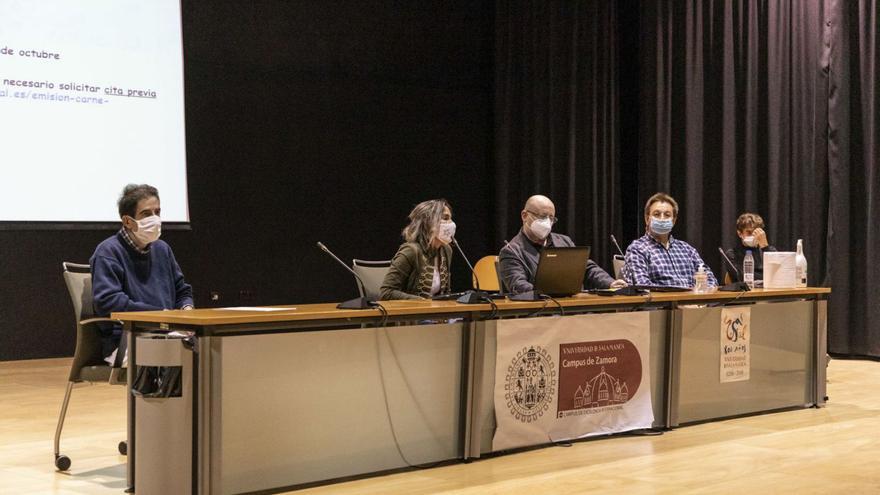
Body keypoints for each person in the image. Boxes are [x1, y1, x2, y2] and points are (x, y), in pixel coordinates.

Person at [90, 184, 193, 365]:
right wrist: (158, 314)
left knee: (207, 353)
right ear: (128, 221)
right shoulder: (108, 252)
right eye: (146, 214)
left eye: (157, 212)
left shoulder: (163, 249)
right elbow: (108, 302)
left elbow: (182, 291)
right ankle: (155, 394)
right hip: (126, 340)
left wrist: (186, 310)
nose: (155, 219)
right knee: (178, 357)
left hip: (167, 333)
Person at [498, 195, 625, 294]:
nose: (547, 222)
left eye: (551, 218)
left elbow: (587, 268)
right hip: (537, 316)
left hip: (572, 311)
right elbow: (519, 286)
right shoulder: (511, 251)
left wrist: (610, 283)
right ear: (524, 215)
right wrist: (551, 293)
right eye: (542, 216)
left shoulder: (564, 242)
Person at [624, 192, 717, 287]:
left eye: (667, 215)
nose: (662, 218)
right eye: (656, 214)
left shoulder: (687, 249)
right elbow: (641, 286)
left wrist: (700, 294)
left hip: (694, 300)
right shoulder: (637, 249)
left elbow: (711, 280)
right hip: (661, 301)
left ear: (674, 220)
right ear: (647, 218)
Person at [380, 199, 455, 300]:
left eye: (450, 218)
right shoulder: (411, 251)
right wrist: (421, 302)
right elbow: (386, 292)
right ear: (429, 222)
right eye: (445, 218)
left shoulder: (446, 250)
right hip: (410, 313)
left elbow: (445, 292)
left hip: (435, 313)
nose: (451, 223)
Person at [723, 212, 777, 283]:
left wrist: (765, 247)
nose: (754, 236)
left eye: (756, 232)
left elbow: (779, 274)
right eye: (749, 232)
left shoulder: (769, 250)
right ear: (740, 234)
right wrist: (766, 276)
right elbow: (742, 277)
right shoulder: (732, 254)